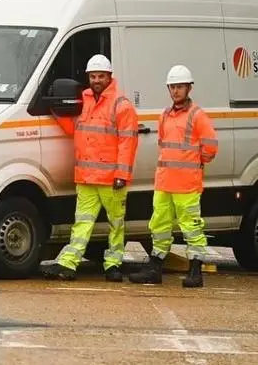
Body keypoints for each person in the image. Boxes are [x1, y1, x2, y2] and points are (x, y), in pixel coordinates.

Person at [41, 54, 139, 282]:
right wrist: (55, 110)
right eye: (93, 76)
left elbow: (128, 142)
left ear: (109, 77)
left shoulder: (121, 105)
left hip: (111, 179)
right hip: (86, 178)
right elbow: (75, 128)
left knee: (116, 224)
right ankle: (69, 263)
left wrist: (122, 175)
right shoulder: (84, 101)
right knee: (82, 223)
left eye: (101, 76)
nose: (96, 80)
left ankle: (113, 264)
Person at [129, 65, 217, 288]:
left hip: (187, 184)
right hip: (164, 182)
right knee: (159, 224)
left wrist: (195, 164)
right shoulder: (165, 115)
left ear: (189, 88)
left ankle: (195, 271)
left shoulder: (197, 115)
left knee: (191, 226)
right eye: (173, 87)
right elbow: (163, 145)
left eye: (180, 87)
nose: (176, 91)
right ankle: (155, 267)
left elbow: (210, 147)